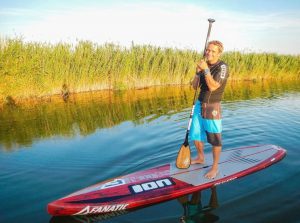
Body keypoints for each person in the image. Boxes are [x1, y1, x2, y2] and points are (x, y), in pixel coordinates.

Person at [190, 40, 229, 179]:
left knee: (214, 139)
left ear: (219, 53)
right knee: (195, 134)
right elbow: (194, 86)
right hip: (199, 104)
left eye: (213, 51)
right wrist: (197, 72)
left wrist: (206, 69)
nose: (209, 53)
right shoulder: (203, 66)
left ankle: (215, 167)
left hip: (212, 106)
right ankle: (200, 157)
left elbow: (213, 87)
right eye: (208, 50)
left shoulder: (222, 66)